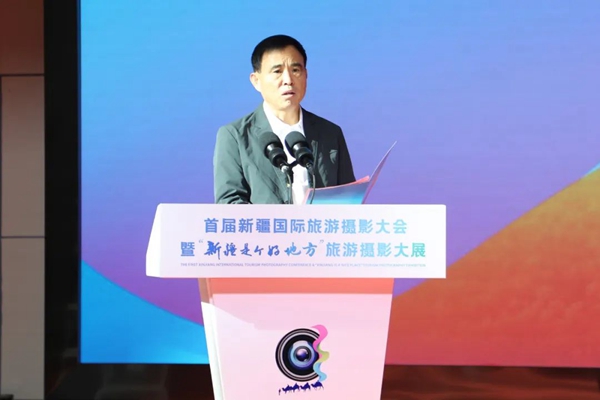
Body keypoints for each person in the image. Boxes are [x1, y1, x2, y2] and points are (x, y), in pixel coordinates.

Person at [213, 34, 356, 204]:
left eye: (295, 70)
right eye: (277, 71)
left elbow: (348, 200)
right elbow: (229, 203)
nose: (288, 80)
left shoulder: (330, 133)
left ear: (306, 75)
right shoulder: (234, 136)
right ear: (256, 81)